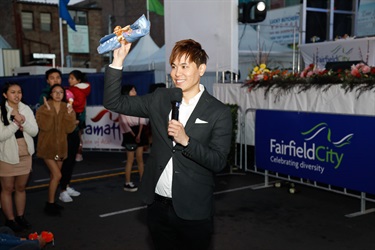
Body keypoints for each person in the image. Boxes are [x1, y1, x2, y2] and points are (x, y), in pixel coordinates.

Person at [103, 39, 232, 250]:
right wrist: (118, 60)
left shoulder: (219, 112)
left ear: (201, 69)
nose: (177, 73)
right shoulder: (161, 98)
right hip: (157, 206)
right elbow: (114, 102)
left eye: (184, 66)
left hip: (194, 210)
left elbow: (218, 162)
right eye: (173, 66)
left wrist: (186, 141)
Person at [0, 82, 38, 232]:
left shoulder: (25, 108)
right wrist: (16, 123)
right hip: (7, 156)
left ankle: (20, 216)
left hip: (25, 153)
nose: (17, 95)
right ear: (5, 95)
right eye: (13, 92)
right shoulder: (1, 110)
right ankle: (10, 219)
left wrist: (23, 121)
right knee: (7, 189)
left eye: (19, 92)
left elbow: (34, 131)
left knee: (21, 188)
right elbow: (1, 136)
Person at [35, 84, 76, 216]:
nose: (58, 94)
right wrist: (48, 111)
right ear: (51, 94)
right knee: (58, 175)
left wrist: (70, 115)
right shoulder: (43, 108)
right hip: (47, 147)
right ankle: (50, 204)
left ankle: (51, 202)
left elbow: (69, 129)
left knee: (54, 177)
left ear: (64, 95)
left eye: (61, 92)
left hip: (61, 148)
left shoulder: (67, 108)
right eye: (55, 92)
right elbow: (43, 126)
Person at [58, 70, 91, 203]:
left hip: (71, 130)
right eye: (69, 78)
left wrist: (70, 107)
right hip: (64, 132)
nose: (69, 80)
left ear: (78, 80)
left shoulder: (75, 91)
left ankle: (65, 187)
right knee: (62, 162)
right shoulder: (79, 90)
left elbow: (77, 107)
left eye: (72, 78)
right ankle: (63, 189)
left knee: (69, 161)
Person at [118, 85, 148, 192]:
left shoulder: (139, 103)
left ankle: (143, 180)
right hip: (129, 134)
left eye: (135, 89)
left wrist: (139, 134)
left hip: (138, 132)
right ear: (127, 92)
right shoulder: (123, 106)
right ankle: (127, 183)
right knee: (130, 160)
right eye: (132, 90)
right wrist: (135, 135)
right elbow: (123, 122)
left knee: (140, 159)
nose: (135, 91)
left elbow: (142, 119)